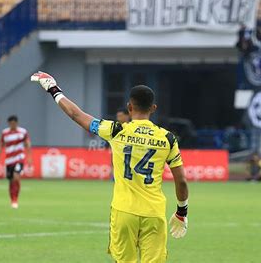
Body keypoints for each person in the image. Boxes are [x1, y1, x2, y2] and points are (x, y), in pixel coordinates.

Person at [31, 71, 189, 263]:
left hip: (124, 211)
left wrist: (53, 88)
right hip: (154, 213)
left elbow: (76, 115)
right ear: (153, 108)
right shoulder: (168, 138)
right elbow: (181, 181)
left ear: (129, 107)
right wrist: (182, 212)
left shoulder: (116, 130)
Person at [0, 115, 32, 209]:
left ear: (16, 123)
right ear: (9, 123)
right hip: (9, 160)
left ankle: (16, 199)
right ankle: (12, 199)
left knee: (16, 177)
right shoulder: (5, 133)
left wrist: (29, 157)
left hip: (19, 158)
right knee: (11, 181)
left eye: (14, 123)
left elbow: (28, 144)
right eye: (10, 123)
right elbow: (0, 145)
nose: (12, 125)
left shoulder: (23, 132)